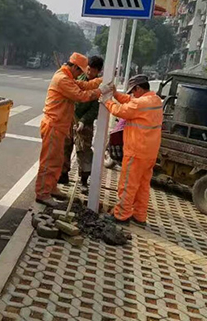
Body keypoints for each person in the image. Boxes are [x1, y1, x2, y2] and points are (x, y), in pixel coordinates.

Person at [35, 52, 113, 207]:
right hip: (53, 126)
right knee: (49, 162)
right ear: (75, 67)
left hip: (60, 126)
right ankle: (42, 193)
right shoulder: (62, 79)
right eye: (80, 71)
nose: (81, 75)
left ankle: (51, 187)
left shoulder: (68, 76)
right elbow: (81, 95)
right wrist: (101, 91)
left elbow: (84, 85)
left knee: (57, 161)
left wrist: (102, 81)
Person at [101, 74, 163, 225]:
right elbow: (130, 101)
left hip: (136, 151)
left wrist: (107, 101)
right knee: (142, 186)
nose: (132, 95)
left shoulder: (140, 104)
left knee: (127, 185)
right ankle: (139, 216)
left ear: (139, 88)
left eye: (133, 91)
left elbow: (121, 111)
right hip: (149, 153)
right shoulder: (155, 100)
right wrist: (115, 94)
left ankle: (121, 215)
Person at [60, 56, 104, 191]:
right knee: (65, 147)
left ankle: (84, 180)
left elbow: (95, 108)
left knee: (83, 150)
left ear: (99, 71)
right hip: (70, 118)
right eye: (89, 69)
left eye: (93, 71)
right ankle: (63, 175)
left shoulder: (100, 85)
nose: (90, 73)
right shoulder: (77, 79)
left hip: (86, 122)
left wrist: (83, 121)